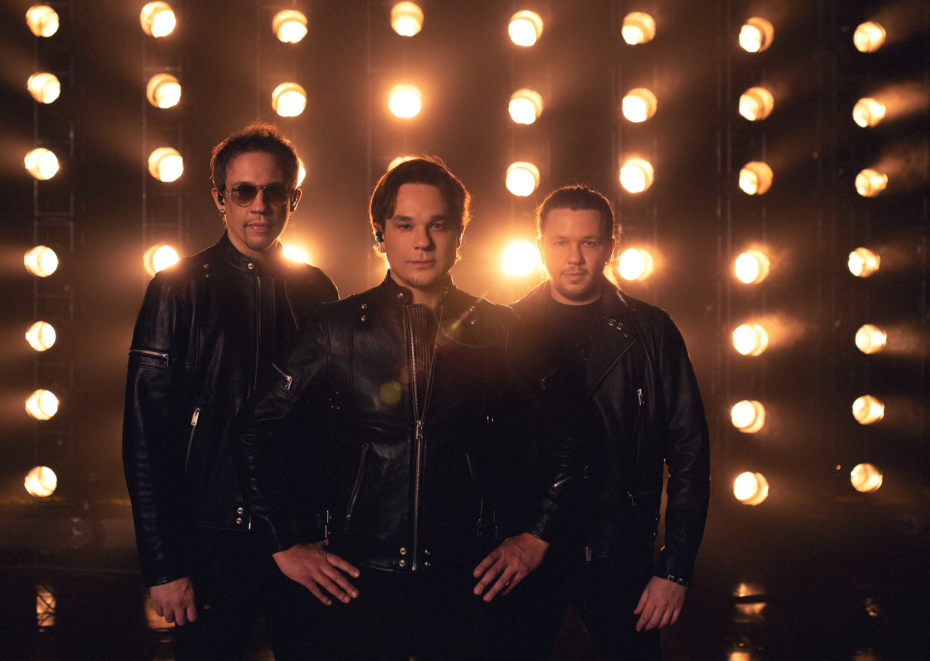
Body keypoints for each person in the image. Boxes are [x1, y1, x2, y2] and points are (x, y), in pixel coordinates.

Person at [233, 157, 560, 660]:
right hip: (358, 581)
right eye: (405, 225)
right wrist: (283, 545)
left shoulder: (501, 329)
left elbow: (571, 433)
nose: (422, 241)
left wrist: (536, 537)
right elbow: (253, 430)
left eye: (438, 225)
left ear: (459, 235)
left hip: (469, 582)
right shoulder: (335, 327)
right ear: (380, 235)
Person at [122, 122, 338, 660]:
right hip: (210, 544)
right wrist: (165, 566)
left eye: (274, 192)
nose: (259, 205)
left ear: (294, 199)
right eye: (244, 191)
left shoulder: (316, 288)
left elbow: (331, 423)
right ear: (220, 198)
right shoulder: (177, 287)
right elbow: (145, 436)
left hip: (301, 538)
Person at [509, 186, 710, 660]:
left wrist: (675, 570)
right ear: (540, 245)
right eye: (560, 242)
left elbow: (690, 454)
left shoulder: (651, 331)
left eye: (589, 242)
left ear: (610, 246)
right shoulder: (506, 328)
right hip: (527, 550)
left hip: (619, 553)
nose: (574, 257)